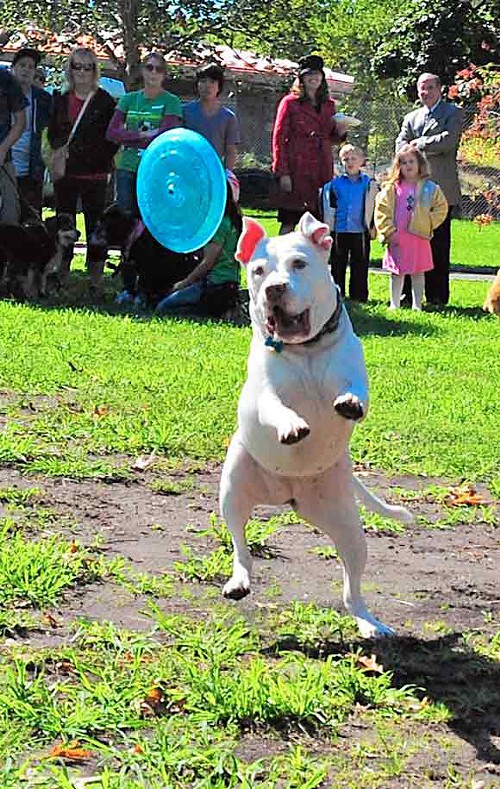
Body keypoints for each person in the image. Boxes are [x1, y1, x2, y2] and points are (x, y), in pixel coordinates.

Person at [47, 47, 117, 296]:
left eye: (88, 67)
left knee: (96, 229)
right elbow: (52, 133)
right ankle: (62, 276)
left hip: (95, 174)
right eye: (77, 66)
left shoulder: (105, 101)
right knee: (64, 224)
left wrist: (96, 156)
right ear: (70, 69)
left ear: (95, 71)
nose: (83, 72)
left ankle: (96, 281)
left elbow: (112, 138)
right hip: (67, 173)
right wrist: (62, 148)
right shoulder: (61, 98)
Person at [396, 72, 464, 305]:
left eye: (430, 87)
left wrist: (420, 143)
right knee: (409, 241)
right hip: (411, 191)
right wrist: (411, 149)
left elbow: (449, 141)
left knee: (438, 244)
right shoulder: (411, 117)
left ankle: (437, 296)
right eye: (422, 88)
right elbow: (400, 144)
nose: (425, 92)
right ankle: (406, 295)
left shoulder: (452, 113)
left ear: (440, 89)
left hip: (441, 191)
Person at [271, 53, 345, 234]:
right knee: (289, 220)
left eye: (317, 74)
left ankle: (315, 253)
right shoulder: (290, 103)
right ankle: (281, 251)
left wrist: (342, 130)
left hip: (321, 170)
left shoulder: (329, 105)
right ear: (301, 78)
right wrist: (283, 173)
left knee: (319, 222)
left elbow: (332, 138)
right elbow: (279, 138)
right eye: (309, 74)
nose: (314, 78)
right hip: (297, 169)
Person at [106, 52, 183, 216]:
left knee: (151, 218)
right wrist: (142, 136)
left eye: (159, 69)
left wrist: (127, 136)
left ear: (164, 74)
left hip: (156, 169)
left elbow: (166, 136)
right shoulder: (128, 99)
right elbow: (112, 133)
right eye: (149, 67)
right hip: (127, 167)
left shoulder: (171, 101)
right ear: (142, 70)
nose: (153, 72)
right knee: (125, 218)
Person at [155, 176, 242, 317]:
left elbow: (208, 263)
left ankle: (219, 310)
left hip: (215, 284)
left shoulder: (218, 225)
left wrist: (183, 283)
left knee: (164, 308)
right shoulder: (233, 220)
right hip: (230, 283)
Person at [374, 145, 448, 311]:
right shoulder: (392, 188)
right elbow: (381, 210)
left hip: (419, 236)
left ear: (420, 163)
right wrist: (388, 231)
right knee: (397, 272)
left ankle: (417, 305)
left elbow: (441, 208)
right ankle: (394, 303)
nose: (408, 165)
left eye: (411, 161)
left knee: (418, 271)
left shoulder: (430, 188)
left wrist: (428, 222)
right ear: (398, 166)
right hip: (397, 236)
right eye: (403, 162)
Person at [319, 143, 378, 302]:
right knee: (338, 264)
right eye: (346, 159)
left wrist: (372, 227)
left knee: (360, 264)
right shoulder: (335, 184)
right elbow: (329, 206)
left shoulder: (369, 184)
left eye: (353, 158)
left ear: (362, 161)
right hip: (340, 230)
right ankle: (337, 294)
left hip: (360, 230)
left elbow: (375, 207)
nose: (350, 162)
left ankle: (359, 296)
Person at [11, 48, 52, 220]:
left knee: (31, 218)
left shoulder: (43, 99)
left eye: (31, 67)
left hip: (32, 167)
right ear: (13, 68)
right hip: (5, 164)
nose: (26, 70)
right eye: (22, 65)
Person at [183, 63, 240, 170]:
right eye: (203, 81)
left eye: (212, 82)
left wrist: (227, 174)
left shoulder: (228, 117)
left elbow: (230, 151)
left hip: (213, 172)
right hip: (187, 170)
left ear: (219, 87)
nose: (207, 86)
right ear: (197, 85)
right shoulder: (185, 112)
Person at [0, 66, 27, 223]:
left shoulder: (6, 78)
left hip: (3, 161)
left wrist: (3, 149)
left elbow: (20, 122)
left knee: (10, 220)